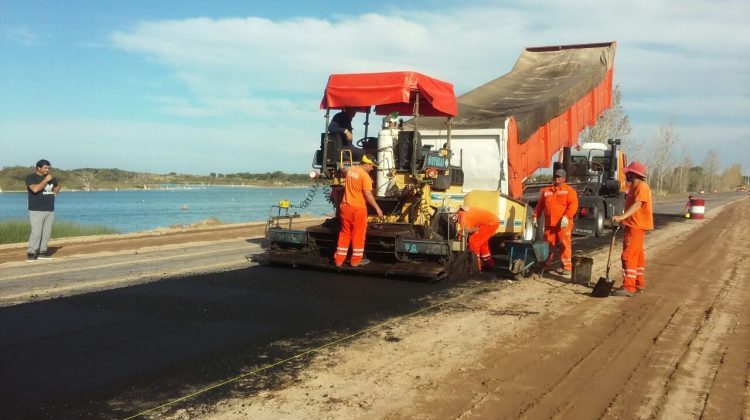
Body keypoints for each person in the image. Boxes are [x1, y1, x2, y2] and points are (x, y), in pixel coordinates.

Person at [611, 161, 654, 297]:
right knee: (638, 256)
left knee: (628, 255)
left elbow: (637, 205)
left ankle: (629, 287)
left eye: (628, 173)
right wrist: (625, 221)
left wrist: (621, 217)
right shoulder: (633, 187)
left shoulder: (642, 187)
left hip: (637, 226)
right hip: (632, 225)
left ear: (634, 174)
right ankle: (638, 283)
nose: (626, 174)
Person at [333, 154, 384, 267]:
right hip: (358, 209)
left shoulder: (351, 170)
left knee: (344, 233)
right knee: (358, 234)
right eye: (372, 166)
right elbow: (368, 194)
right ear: (366, 164)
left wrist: (341, 168)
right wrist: (377, 208)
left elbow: (344, 172)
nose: (372, 168)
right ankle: (356, 261)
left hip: (345, 208)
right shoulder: (365, 176)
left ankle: (339, 260)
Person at [533, 168, 579, 276]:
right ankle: (546, 265)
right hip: (550, 224)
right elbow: (540, 206)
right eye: (555, 176)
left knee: (564, 244)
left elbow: (573, 205)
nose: (557, 178)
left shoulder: (569, 191)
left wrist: (566, 217)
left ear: (564, 179)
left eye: (559, 176)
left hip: (564, 223)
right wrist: (535, 216)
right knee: (548, 245)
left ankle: (567, 267)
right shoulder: (546, 191)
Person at [25, 159, 60, 261]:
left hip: (49, 209)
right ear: (38, 168)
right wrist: (45, 180)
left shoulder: (51, 178)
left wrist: (55, 191)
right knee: (36, 232)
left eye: (48, 167)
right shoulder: (31, 178)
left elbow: (57, 186)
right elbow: (35, 189)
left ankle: (42, 252)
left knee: (46, 233)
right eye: (45, 167)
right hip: (36, 209)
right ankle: (32, 253)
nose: (47, 169)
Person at [453, 206, 500, 271]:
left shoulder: (463, 218)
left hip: (489, 224)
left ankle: (476, 268)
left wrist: (457, 242)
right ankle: (489, 264)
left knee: (473, 243)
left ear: (455, 215)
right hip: (492, 221)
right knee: (482, 243)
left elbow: (464, 232)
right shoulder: (463, 212)